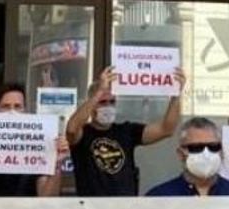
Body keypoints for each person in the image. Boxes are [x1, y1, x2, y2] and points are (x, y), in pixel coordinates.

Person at [65, 66, 184, 196]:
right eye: (102, 102)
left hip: (125, 205)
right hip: (92, 206)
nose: (108, 106)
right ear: (92, 104)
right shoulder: (83, 133)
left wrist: (176, 96)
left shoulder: (126, 131)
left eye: (112, 102)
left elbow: (166, 129)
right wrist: (99, 91)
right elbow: (71, 129)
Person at [0, 83, 71, 197]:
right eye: (5, 106)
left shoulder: (40, 144)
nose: (12, 112)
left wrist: (56, 165)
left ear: (25, 111)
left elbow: (47, 198)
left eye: (18, 106)